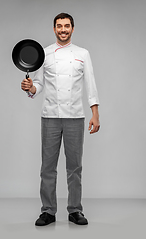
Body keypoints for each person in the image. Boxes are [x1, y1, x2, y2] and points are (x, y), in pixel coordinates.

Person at [21, 13, 100, 226]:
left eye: (66, 26)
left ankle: (75, 210)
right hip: (50, 117)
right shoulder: (44, 53)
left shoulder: (83, 54)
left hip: (75, 116)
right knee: (47, 167)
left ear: (72, 29)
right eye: (59, 26)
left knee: (75, 167)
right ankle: (48, 211)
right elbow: (38, 84)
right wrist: (30, 89)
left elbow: (90, 83)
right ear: (54, 29)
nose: (63, 29)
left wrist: (95, 113)